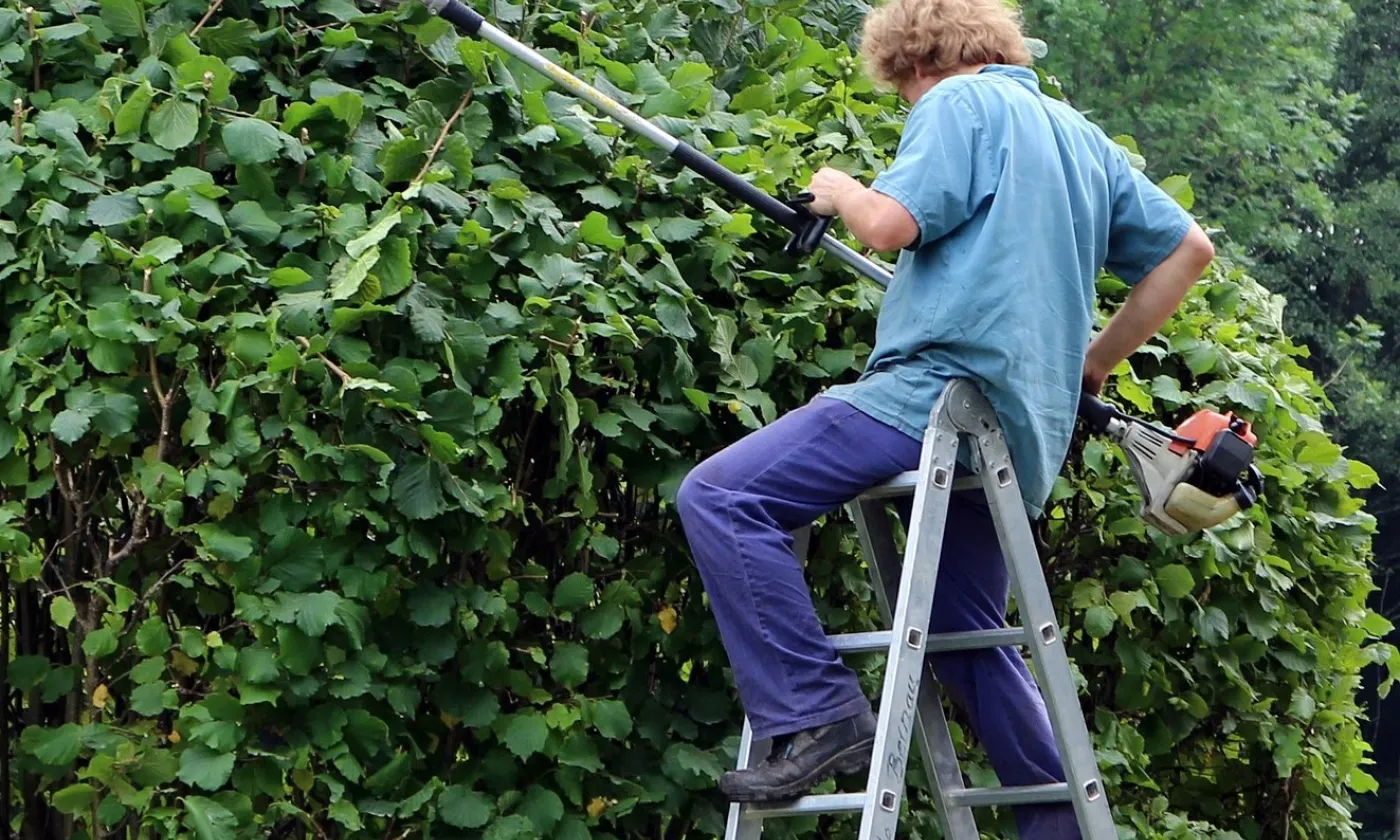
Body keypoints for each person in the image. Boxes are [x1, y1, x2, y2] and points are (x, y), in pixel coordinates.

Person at [674, 0, 1216, 835]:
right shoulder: (1080, 138)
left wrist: (839, 192)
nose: (905, 103)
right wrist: (1093, 363)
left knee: (721, 497)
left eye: (899, 89)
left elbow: (890, 226)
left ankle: (819, 713)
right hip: (1017, 432)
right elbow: (1190, 252)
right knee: (969, 634)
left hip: (928, 398)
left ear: (915, 61)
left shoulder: (956, 103)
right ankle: (1060, 827)